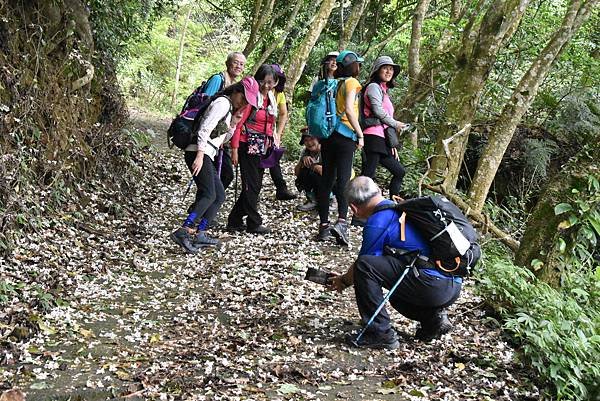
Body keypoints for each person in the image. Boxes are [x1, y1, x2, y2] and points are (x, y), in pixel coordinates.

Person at [329, 177, 461, 349]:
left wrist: (343, 280)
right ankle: (433, 321)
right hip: (452, 285)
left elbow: (364, 266)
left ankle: (380, 334)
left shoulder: (378, 221)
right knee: (396, 294)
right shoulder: (403, 209)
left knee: (365, 266)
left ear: (354, 208)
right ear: (380, 192)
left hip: (432, 286)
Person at [170, 77, 259, 253]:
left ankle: (201, 232)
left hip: (206, 153)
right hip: (197, 151)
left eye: (247, 102)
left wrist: (233, 123)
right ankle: (185, 230)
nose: (243, 103)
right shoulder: (222, 103)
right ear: (236, 91)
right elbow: (205, 128)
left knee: (218, 195)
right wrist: (200, 156)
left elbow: (221, 140)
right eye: (243, 98)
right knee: (209, 194)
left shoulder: (229, 109)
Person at [315, 50, 365, 246]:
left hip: (328, 136)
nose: (359, 67)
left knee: (327, 179)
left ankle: (324, 226)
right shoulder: (351, 83)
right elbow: (351, 111)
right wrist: (360, 134)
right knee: (344, 180)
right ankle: (342, 223)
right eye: (357, 64)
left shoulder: (333, 83)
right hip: (345, 136)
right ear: (352, 66)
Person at [227, 64, 279, 234]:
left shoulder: (271, 99)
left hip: (262, 146)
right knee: (252, 185)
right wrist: (234, 149)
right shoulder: (251, 98)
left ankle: (234, 219)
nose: (266, 86)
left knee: (255, 185)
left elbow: (271, 124)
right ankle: (253, 222)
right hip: (246, 144)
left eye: (270, 82)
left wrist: (274, 140)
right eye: (262, 81)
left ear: (275, 83)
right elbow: (238, 123)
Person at [360, 56, 408, 200]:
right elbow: (378, 112)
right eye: (385, 68)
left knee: (399, 171)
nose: (389, 71)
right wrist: (396, 123)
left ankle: (395, 205)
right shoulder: (373, 87)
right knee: (368, 175)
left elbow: (385, 121)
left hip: (382, 139)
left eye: (391, 69)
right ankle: (358, 214)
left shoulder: (384, 91)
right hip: (372, 136)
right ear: (377, 70)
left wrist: (391, 144)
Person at [202, 52, 247, 191]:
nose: (238, 66)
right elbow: (205, 105)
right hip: (208, 137)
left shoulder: (236, 85)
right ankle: (202, 205)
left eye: (242, 64)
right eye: (235, 62)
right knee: (220, 175)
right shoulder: (218, 79)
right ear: (227, 63)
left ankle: (205, 204)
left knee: (223, 175)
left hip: (220, 137)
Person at [268, 63, 296, 201]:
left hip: (270, 130)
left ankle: (281, 188)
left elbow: (283, 113)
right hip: (256, 131)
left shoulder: (279, 94)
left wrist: (278, 133)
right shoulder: (258, 89)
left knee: (274, 158)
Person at [295, 128, 323, 211]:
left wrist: (313, 166)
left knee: (315, 174)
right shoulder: (306, 152)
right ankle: (312, 200)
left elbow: (327, 173)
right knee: (304, 172)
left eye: (312, 139)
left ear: (318, 139)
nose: (309, 143)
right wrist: (302, 161)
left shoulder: (326, 150)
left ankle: (332, 200)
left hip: (335, 180)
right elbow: (297, 173)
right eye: (306, 140)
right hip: (317, 177)